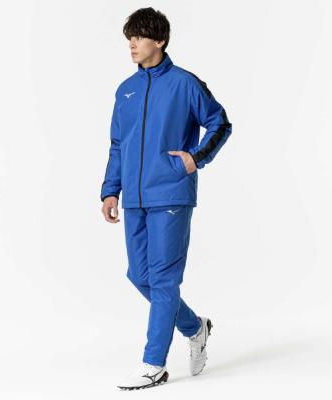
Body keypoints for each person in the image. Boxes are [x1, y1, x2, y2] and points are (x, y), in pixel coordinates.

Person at [100, 7, 232, 390]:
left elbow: (220, 122)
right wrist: (110, 189)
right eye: (129, 38)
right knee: (139, 275)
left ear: (159, 40)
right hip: (135, 199)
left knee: (163, 279)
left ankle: (153, 364)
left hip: (171, 193)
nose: (132, 44)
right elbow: (117, 144)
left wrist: (196, 158)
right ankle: (195, 327)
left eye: (139, 37)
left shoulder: (185, 84)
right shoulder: (125, 90)